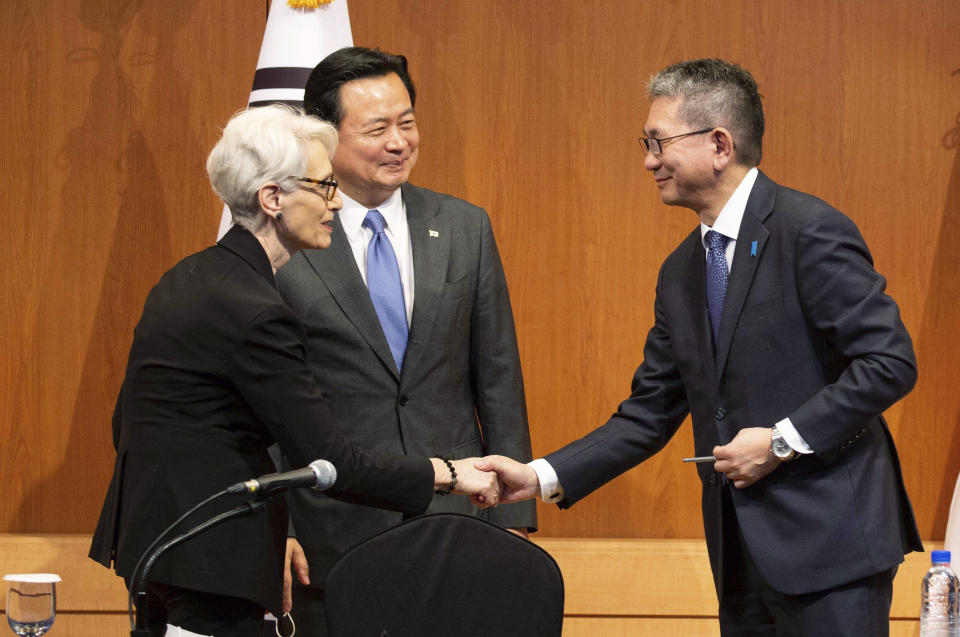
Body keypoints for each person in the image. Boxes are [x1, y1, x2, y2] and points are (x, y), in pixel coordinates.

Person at [479, 58, 922, 637]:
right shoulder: (681, 271)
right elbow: (648, 413)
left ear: (719, 143)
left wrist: (782, 441)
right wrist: (539, 476)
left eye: (658, 141)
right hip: (738, 557)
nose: (647, 160)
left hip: (831, 548)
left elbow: (889, 362)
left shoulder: (808, 230)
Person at [88, 105, 499, 637]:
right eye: (325, 187)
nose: (336, 204)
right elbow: (333, 462)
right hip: (213, 565)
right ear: (273, 198)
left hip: (159, 551)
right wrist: (449, 473)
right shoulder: (256, 309)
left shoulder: (188, 276)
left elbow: (128, 423)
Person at [274, 46, 536, 633]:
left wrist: (515, 517)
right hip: (330, 529)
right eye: (377, 128)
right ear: (325, 135)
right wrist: (276, 526)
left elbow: (497, 375)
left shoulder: (465, 226)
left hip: (456, 523)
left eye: (407, 122)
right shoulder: (285, 240)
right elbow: (262, 399)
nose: (399, 142)